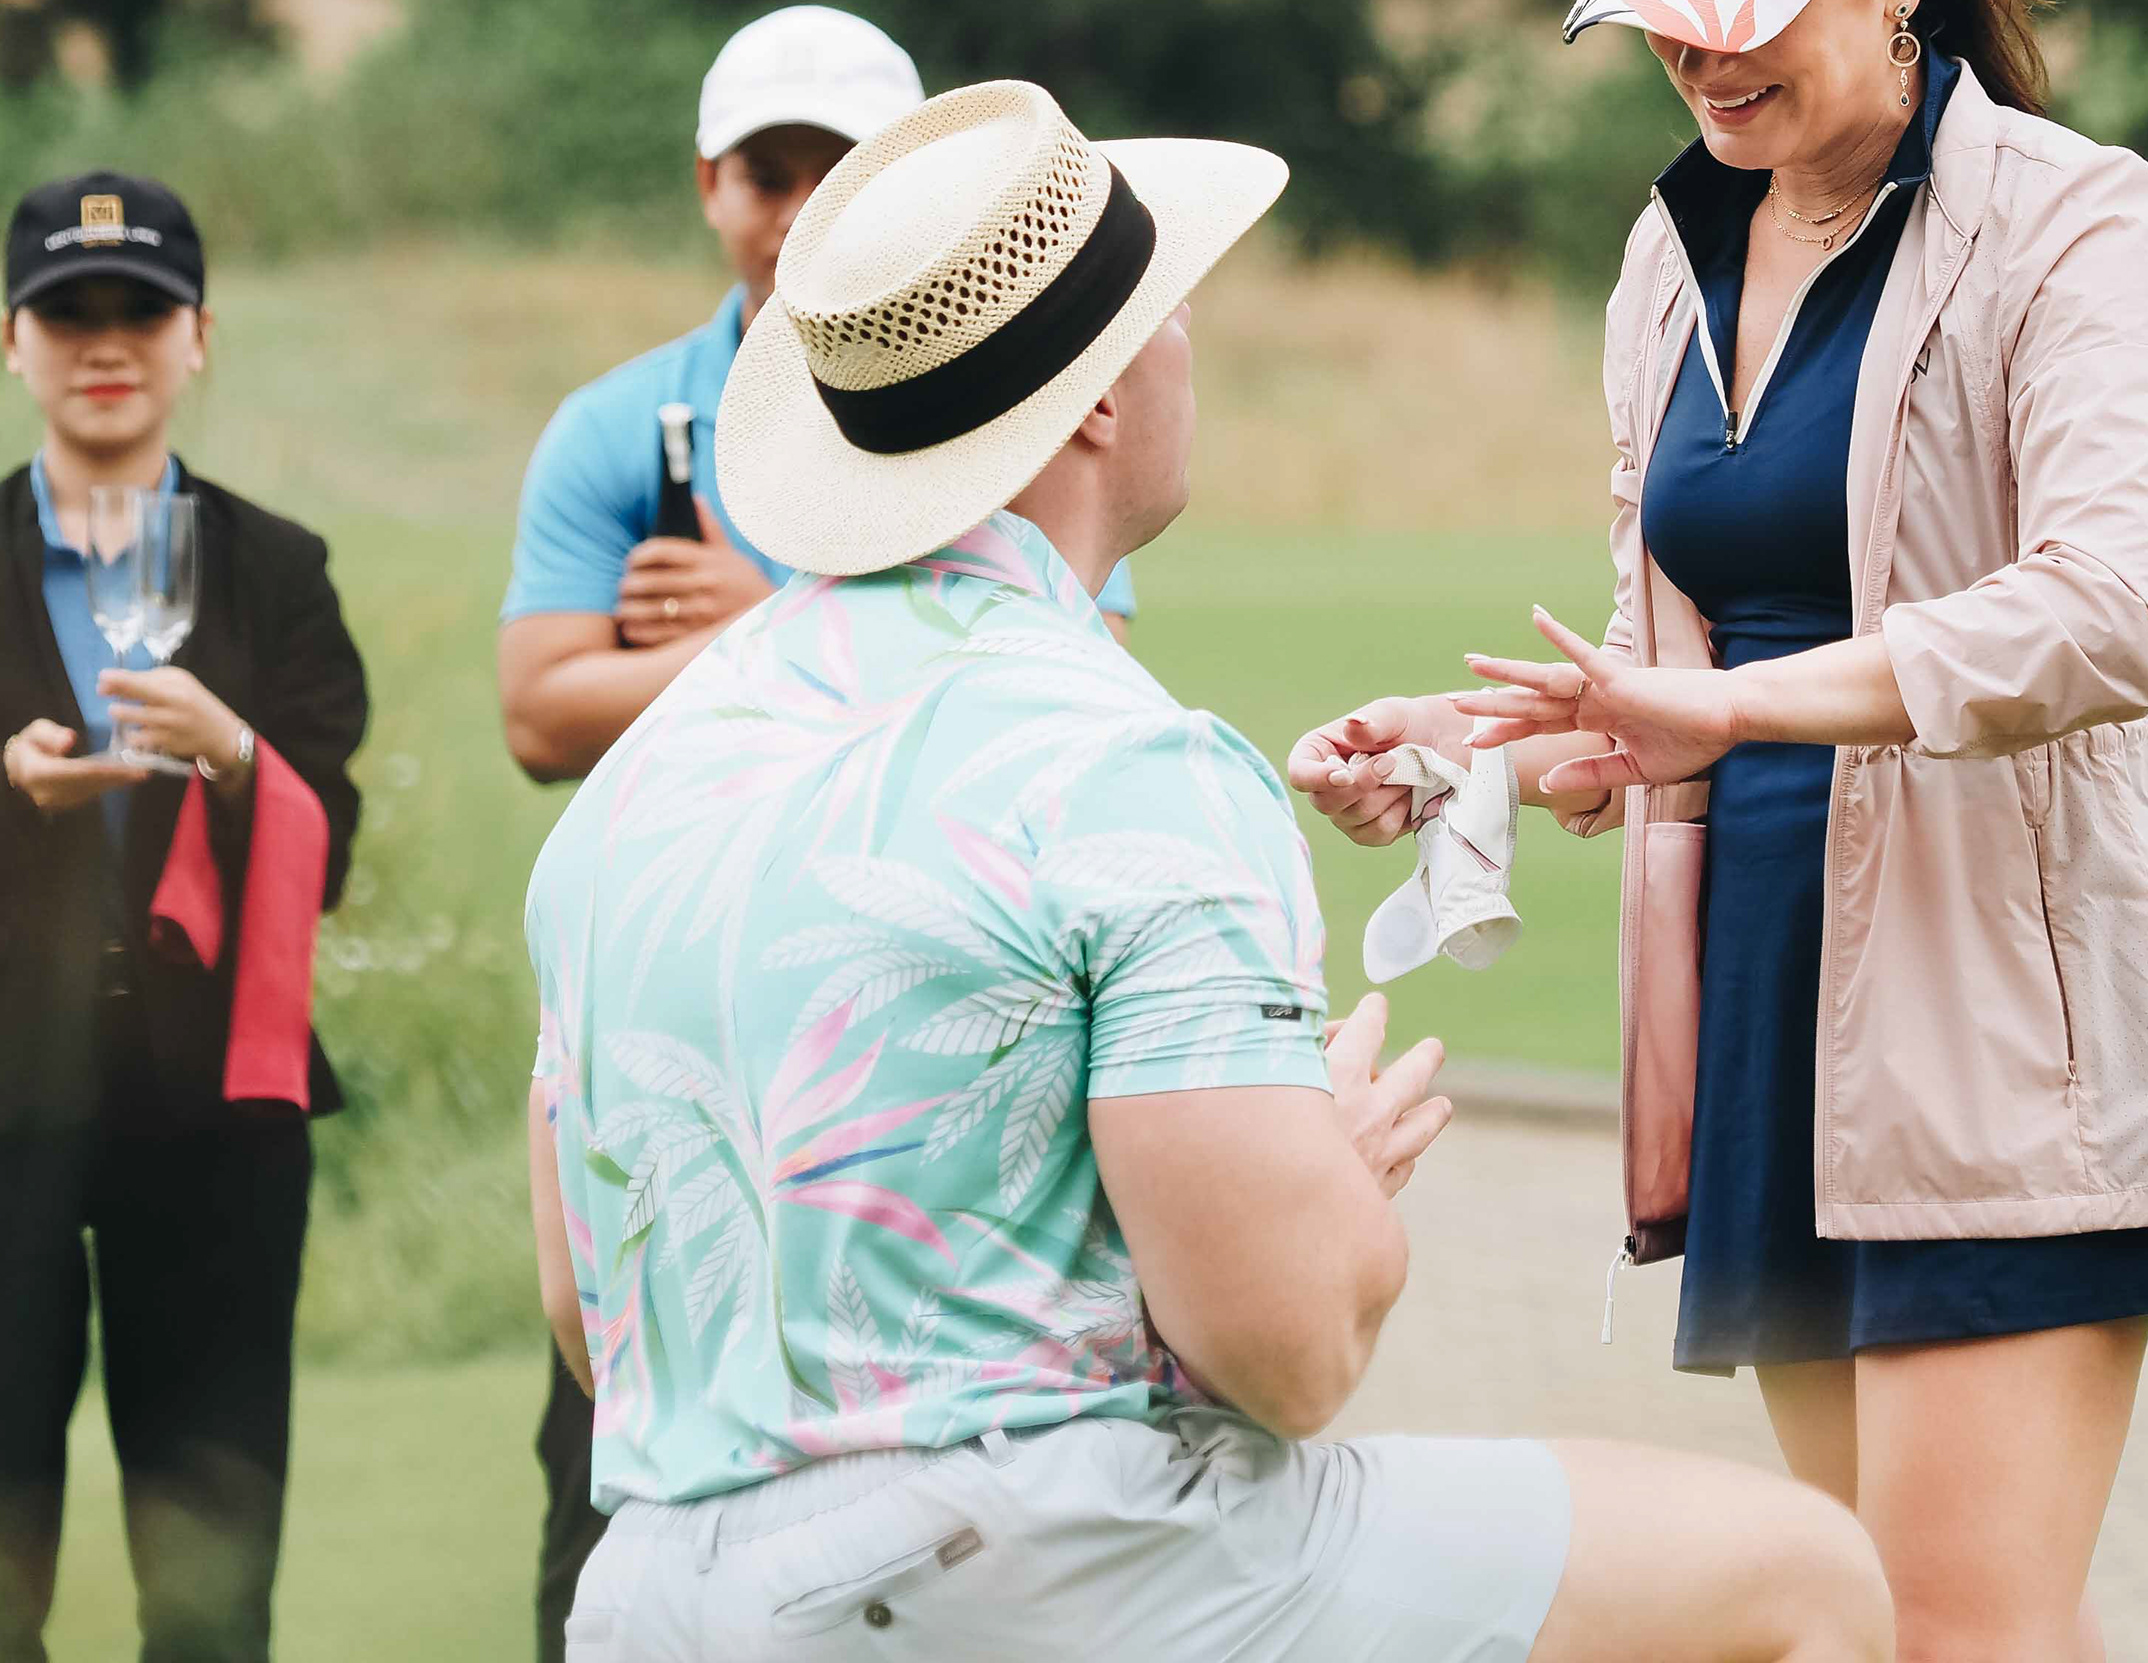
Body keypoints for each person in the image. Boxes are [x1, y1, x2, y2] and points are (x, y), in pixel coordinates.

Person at [523, 80, 1890, 1663]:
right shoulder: (1124, 763)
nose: (1189, 343)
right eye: (1172, 306)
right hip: (1037, 1571)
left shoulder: (626, 797)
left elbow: (586, 1322)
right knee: (1808, 1581)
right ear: (1100, 398)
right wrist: (1330, 1183)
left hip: (654, 1604)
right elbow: (1290, 1352)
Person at [1290, 0, 2148, 1663]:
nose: (1702, 45)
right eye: (1669, 3)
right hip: (1766, 1025)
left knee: (1954, 1630)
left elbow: (2123, 602)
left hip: (2002, 1033)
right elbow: (1678, 673)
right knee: (1878, 1615)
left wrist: (1727, 714)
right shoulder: (1673, 261)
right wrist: (1485, 742)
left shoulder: (2076, 221)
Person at [492, 4, 1139, 1656]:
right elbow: (534, 711)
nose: (794, 211)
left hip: (903, 1000)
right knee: (622, 1470)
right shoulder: (615, 424)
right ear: (709, 185)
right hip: (685, 1003)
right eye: (766, 173)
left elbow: (1069, 676)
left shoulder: (998, 381)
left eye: (834, 172)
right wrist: (766, 635)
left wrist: (732, 621)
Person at [0, 168, 368, 1663]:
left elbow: (333, 843)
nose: (105, 341)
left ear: (200, 336)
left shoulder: (277, 569)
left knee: (212, 1592)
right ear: (13, 341)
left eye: (140, 309)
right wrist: (2, 790)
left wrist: (239, 754)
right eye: (70, 312)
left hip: (216, 1129)